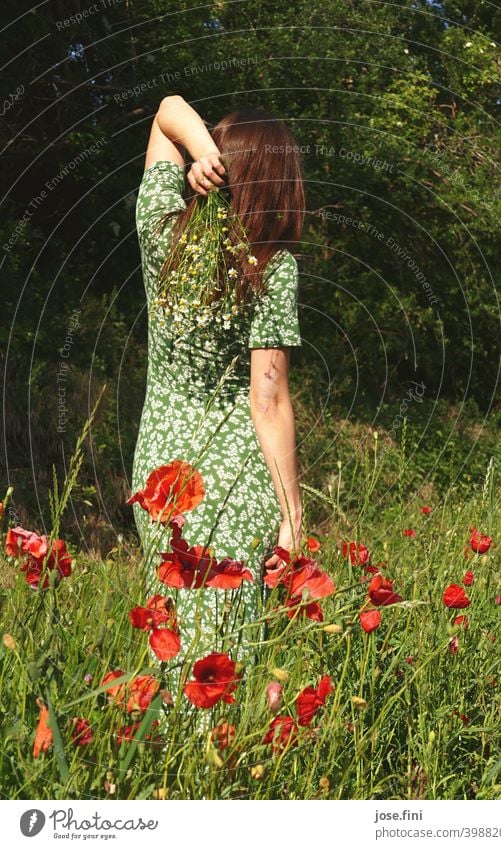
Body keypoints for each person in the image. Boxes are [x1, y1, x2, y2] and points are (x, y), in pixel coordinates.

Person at [131, 95, 306, 666]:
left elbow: (167, 111)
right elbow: (268, 399)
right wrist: (292, 516)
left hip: (160, 469)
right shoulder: (270, 266)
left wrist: (201, 149)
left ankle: (165, 748)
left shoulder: (162, 230)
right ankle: (219, 752)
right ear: (277, 184)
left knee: (172, 631)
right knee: (226, 650)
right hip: (235, 481)